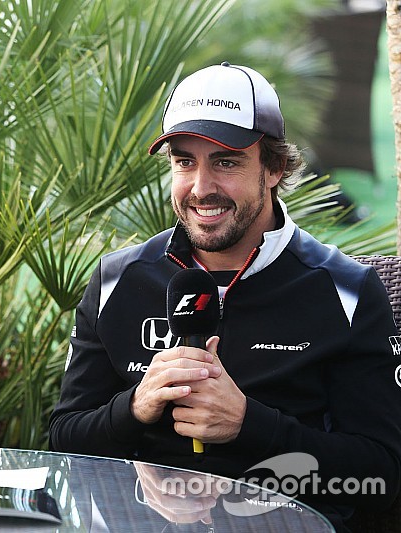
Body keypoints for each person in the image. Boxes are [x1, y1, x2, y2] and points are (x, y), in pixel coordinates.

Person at [49, 62, 401, 528]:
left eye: (226, 161)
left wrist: (249, 426)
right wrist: (135, 408)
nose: (201, 187)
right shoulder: (117, 279)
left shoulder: (346, 291)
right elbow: (64, 442)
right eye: (184, 161)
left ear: (274, 168)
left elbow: (382, 476)